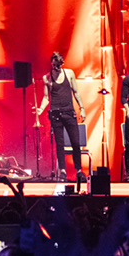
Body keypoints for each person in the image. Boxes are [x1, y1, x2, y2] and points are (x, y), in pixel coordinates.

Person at [34, 52, 84, 184]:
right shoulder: (47, 78)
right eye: (55, 65)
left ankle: (79, 170)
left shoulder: (69, 73)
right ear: (51, 63)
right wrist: (41, 109)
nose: (57, 68)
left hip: (69, 112)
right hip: (56, 113)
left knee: (75, 142)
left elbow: (76, 92)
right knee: (59, 144)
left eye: (59, 65)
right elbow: (46, 97)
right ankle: (62, 171)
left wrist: (82, 108)